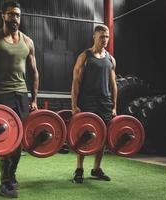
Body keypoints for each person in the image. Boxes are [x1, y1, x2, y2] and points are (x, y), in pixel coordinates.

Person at [0, 1, 39, 198]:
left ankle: (12, 175)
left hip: (22, 95)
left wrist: (34, 99)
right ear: (3, 16)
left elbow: (34, 71)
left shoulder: (28, 42)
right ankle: (5, 182)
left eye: (18, 15)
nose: (15, 18)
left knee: (19, 140)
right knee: (5, 140)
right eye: (11, 15)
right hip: (2, 95)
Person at [71, 24, 117, 184]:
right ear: (94, 37)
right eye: (102, 37)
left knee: (103, 137)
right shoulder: (85, 56)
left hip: (105, 102)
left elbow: (113, 84)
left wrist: (114, 106)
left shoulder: (110, 59)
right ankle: (79, 169)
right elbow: (76, 82)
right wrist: (74, 105)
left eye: (107, 37)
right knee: (85, 134)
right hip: (87, 101)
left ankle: (96, 169)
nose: (105, 40)